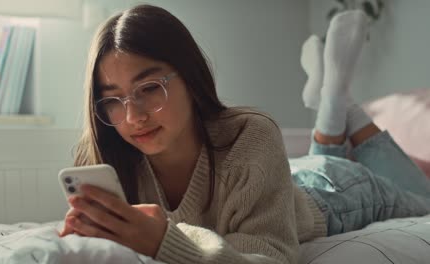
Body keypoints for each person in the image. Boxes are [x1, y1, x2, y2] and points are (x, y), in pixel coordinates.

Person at [58, 5, 430, 263]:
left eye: (150, 88)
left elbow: (270, 256)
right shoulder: (107, 155)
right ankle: (333, 102)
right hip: (286, 180)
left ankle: (341, 103)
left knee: (423, 197)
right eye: (113, 100)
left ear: (190, 77)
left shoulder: (251, 133)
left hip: (335, 194)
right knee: (319, 160)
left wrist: (163, 242)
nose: (133, 116)